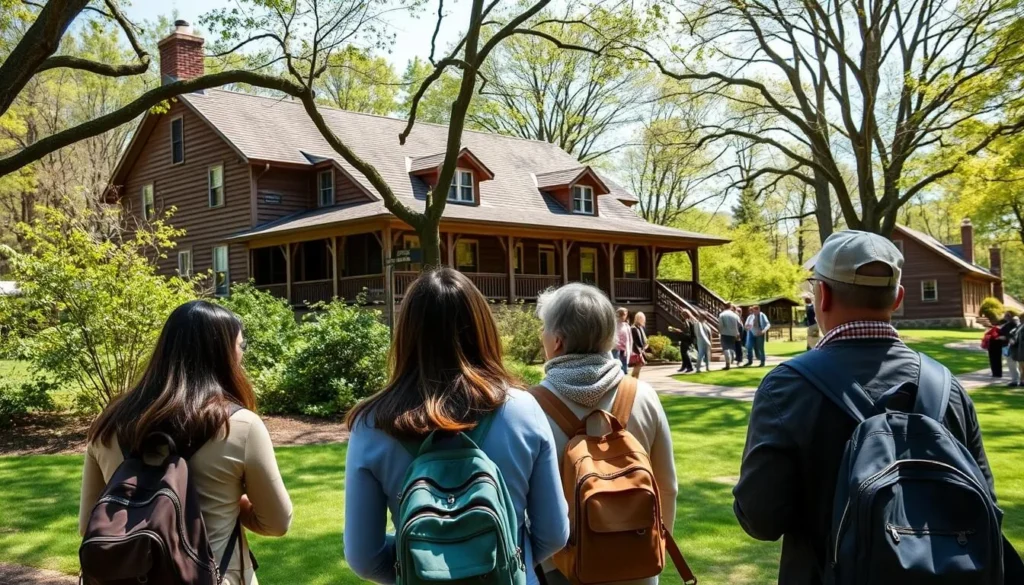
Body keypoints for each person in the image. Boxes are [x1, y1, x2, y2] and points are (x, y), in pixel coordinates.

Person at [734, 231, 996, 585]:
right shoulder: (947, 387)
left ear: (822, 295)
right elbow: (987, 504)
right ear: (898, 298)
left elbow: (760, 519)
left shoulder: (787, 387)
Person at [343, 268, 569, 585]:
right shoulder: (523, 409)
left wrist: (425, 563)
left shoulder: (372, 425)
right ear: (482, 327)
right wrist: (502, 560)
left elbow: (364, 557)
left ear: (406, 333)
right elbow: (554, 533)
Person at [80, 301, 293, 585]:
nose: (242, 354)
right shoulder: (240, 426)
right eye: (240, 345)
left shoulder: (107, 424)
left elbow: (89, 525)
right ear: (223, 353)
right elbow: (277, 522)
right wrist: (234, 503)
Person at [534, 283, 678, 585]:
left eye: (544, 328)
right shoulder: (644, 396)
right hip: (638, 567)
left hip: (562, 568)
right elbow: (668, 487)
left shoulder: (530, 406)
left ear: (557, 341)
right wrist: (654, 548)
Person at [718, 304, 741, 370]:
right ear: (730, 307)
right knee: (731, 347)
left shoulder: (722, 315)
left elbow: (720, 325)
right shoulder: (735, 315)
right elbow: (739, 324)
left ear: (724, 307)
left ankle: (727, 364)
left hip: (725, 333)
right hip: (734, 333)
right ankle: (733, 358)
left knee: (726, 348)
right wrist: (737, 331)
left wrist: (720, 331)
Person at [1000, 312, 1020, 387]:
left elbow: (1012, 335)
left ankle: (1015, 380)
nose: (1006, 317)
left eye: (1008, 316)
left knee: (1012, 363)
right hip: (1008, 346)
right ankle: (1016, 380)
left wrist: (1006, 338)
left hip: (1011, 347)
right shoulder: (1007, 325)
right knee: (1013, 364)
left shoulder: (1012, 325)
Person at [613, 307, 633, 374]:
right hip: (615, 349)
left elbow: (630, 339)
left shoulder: (627, 326)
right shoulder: (614, 325)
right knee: (617, 366)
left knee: (624, 368)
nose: (625, 316)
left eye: (625, 314)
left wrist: (630, 348)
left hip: (624, 349)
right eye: (624, 314)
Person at [630, 311, 650, 379]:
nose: (644, 321)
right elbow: (637, 341)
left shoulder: (639, 327)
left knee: (638, 368)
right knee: (637, 368)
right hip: (636, 351)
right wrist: (643, 347)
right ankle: (633, 381)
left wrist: (645, 345)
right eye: (643, 319)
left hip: (639, 350)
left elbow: (642, 339)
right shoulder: (634, 328)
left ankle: (635, 380)